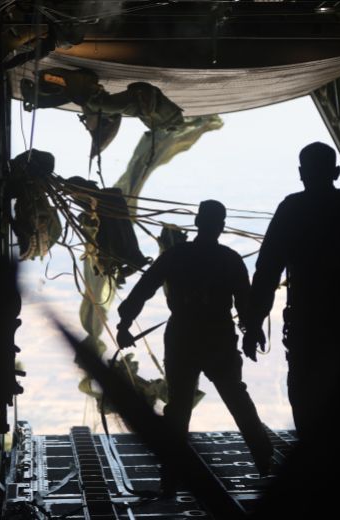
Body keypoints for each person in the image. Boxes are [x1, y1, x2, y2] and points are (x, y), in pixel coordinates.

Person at [116, 200, 273, 494]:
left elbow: (145, 288)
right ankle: (264, 458)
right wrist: (252, 333)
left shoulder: (176, 256)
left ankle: (172, 476)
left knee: (178, 407)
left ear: (198, 222)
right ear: (221, 226)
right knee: (236, 397)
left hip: (182, 335)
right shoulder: (230, 259)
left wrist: (125, 324)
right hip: (218, 335)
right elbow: (246, 303)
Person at [243, 142, 340, 443]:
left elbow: (267, 271)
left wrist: (254, 323)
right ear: (335, 171)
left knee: (305, 398)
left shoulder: (291, 210)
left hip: (306, 322)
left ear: (301, 174)